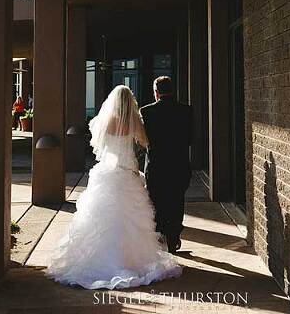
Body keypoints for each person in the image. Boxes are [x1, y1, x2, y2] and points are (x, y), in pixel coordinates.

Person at [46, 85, 182, 289]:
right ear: (130, 102)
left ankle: (100, 258)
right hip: (127, 171)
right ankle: (129, 259)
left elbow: (98, 145)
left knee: (101, 217)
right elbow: (146, 143)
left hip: (108, 172)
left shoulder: (106, 121)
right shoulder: (133, 121)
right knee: (129, 216)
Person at [140, 75, 194, 253]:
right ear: (173, 90)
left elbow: (143, 141)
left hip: (156, 166)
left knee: (157, 202)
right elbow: (192, 138)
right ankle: (174, 238)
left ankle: (161, 237)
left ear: (156, 92)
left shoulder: (146, 111)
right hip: (179, 165)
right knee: (177, 201)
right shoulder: (186, 110)